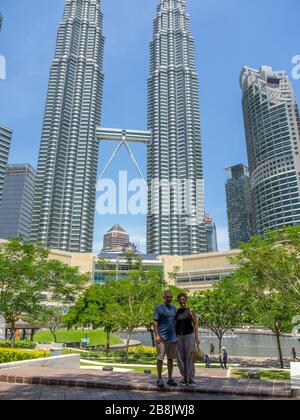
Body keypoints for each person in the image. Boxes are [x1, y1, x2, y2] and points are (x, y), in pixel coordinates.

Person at [153, 290, 178, 389]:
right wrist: (157, 335)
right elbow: (155, 322)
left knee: (170, 359)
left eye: (170, 297)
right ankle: (159, 379)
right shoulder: (159, 308)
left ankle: (170, 379)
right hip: (162, 338)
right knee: (160, 358)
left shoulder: (174, 308)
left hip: (172, 338)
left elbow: (176, 322)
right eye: (167, 297)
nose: (169, 299)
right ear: (163, 297)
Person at [175, 293, 200, 387]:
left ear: (186, 300)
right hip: (179, 336)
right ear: (178, 301)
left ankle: (191, 379)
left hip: (189, 336)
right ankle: (185, 378)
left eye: (183, 299)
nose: (182, 301)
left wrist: (196, 337)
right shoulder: (177, 311)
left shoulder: (190, 310)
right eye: (180, 300)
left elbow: (196, 324)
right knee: (181, 358)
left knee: (189, 357)